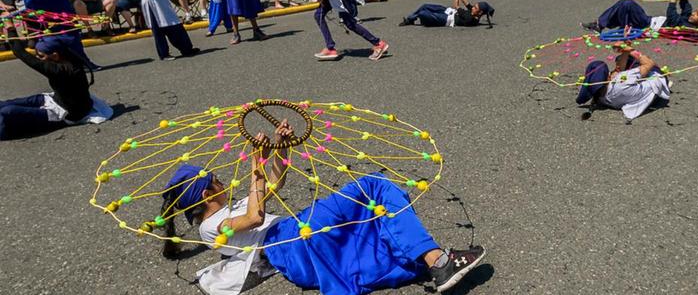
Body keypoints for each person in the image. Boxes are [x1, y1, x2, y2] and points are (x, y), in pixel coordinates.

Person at [160, 120, 486, 295]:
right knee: (372, 187)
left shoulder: (225, 209)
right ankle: (436, 259)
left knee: (370, 226)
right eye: (216, 180)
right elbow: (255, 216)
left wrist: (279, 149)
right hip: (292, 242)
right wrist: (255, 165)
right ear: (205, 193)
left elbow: (275, 183)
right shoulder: (210, 227)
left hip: (298, 239)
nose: (221, 182)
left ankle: (433, 262)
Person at [1, 29, 112, 140]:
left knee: (7, 112)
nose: (39, 59)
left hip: (65, 113)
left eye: (41, 56)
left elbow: (20, 53)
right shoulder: (68, 59)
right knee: (3, 104)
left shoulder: (59, 70)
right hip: (55, 100)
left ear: (55, 55)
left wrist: (10, 28)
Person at [576, 44, 671, 122]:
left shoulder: (599, 97)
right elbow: (649, 63)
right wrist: (630, 50)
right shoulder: (622, 80)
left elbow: (619, 70)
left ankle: (628, 57)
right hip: (657, 86)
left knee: (622, 60)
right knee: (635, 60)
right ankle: (665, 82)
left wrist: (624, 49)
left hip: (626, 94)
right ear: (608, 77)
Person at [399, 0, 494, 28]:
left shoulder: (470, 18)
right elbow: (464, 1)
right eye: (474, 6)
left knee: (423, 13)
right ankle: (410, 19)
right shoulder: (474, 12)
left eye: (475, 7)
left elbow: (456, 5)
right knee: (425, 5)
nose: (473, 7)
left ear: (480, 12)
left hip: (446, 19)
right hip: (447, 11)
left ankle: (414, 19)